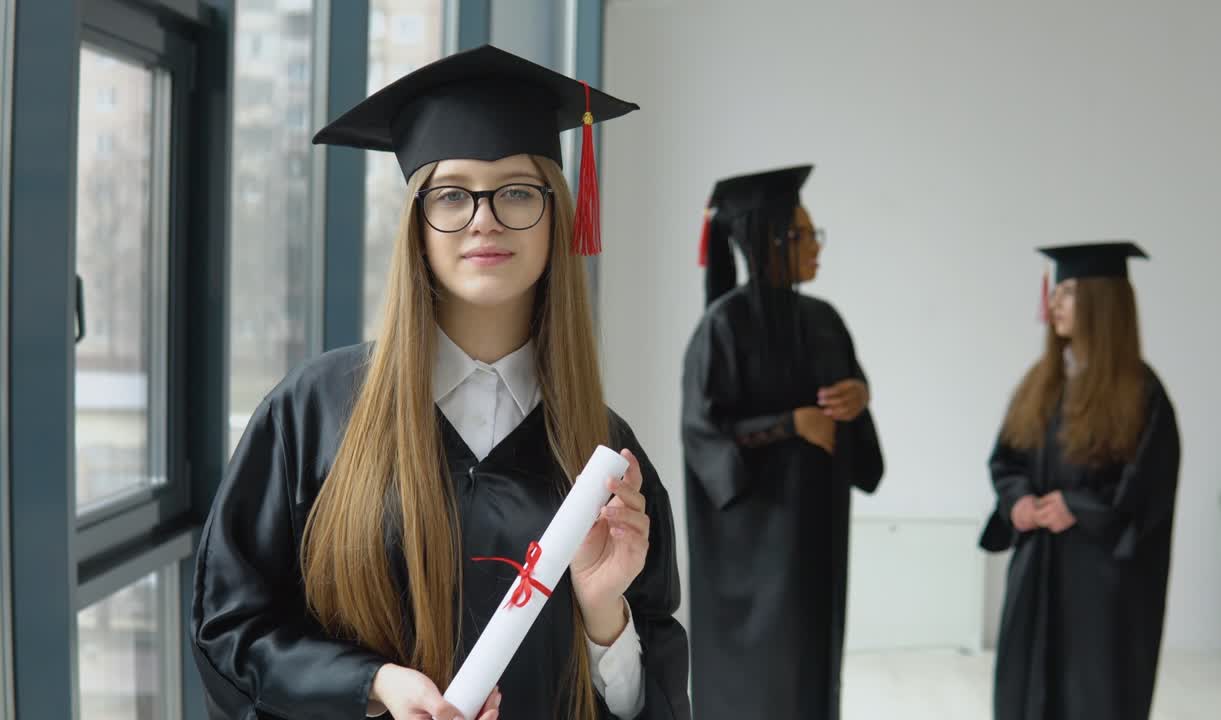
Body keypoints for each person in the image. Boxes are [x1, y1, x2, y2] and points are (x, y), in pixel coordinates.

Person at [190, 45, 691, 720]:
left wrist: (604, 615)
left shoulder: (601, 457)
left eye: (517, 191)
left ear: (556, 216)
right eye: (452, 194)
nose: (483, 217)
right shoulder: (312, 413)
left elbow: (652, 697)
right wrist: (372, 686)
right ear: (417, 227)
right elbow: (231, 630)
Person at [680, 166, 884, 719]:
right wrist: (790, 425)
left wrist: (856, 402)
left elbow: (859, 445)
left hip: (815, 533)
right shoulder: (722, 327)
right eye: (803, 236)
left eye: (816, 235)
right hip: (751, 552)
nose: (816, 248)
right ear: (768, 240)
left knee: (812, 669)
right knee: (763, 683)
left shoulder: (824, 320)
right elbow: (704, 438)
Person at [980, 241, 1181, 720]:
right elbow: (1006, 461)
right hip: (1038, 565)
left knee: (1094, 691)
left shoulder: (1141, 392)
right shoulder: (1041, 381)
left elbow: (1149, 492)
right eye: (1056, 293)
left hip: (1101, 578)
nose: (1054, 304)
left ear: (1102, 302)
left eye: (1067, 293)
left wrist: (1082, 509)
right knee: (1026, 685)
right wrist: (1018, 502)